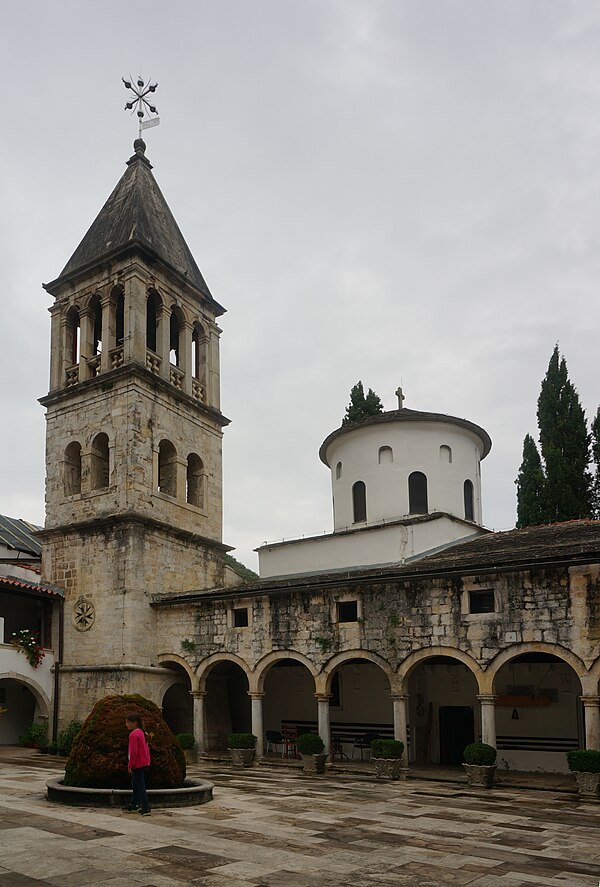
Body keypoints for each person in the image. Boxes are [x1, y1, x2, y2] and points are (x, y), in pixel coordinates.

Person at [123, 712, 151, 815]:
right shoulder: (142, 732)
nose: (126, 724)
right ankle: (134, 803)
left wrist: (130, 765)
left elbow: (133, 752)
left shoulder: (134, 734)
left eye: (127, 722)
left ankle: (146, 806)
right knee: (135, 783)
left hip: (137, 763)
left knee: (140, 785)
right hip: (142, 762)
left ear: (134, 723)